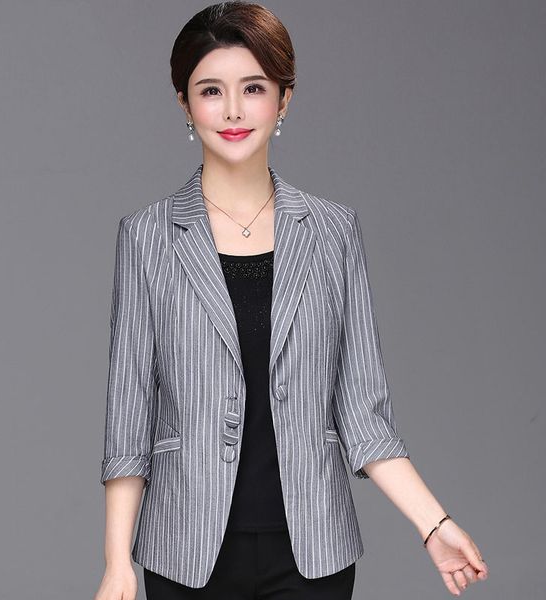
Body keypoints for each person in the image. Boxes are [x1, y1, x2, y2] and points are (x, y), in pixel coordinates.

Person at [94, 3, 490, 599]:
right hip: (185, 551)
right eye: (211, 90)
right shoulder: (147, 237)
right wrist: (117, 561)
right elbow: (129, 420)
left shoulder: (333, 232)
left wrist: (434, 525)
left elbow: (364, 415)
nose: (233, 110)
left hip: (314, 552)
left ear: (284, 99)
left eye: (254, 88)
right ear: (184, 103)